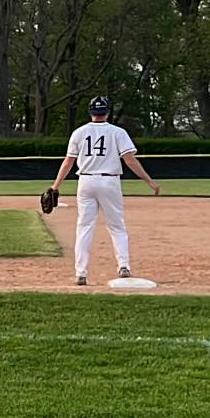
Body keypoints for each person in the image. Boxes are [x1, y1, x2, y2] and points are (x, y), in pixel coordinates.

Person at [48, 96, 161, 286]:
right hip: (109, 182)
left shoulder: (79, 132)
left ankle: (81, 273)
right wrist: (149, 181)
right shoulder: (118, 132)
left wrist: (55, 186)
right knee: (117, 226)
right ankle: (123, 265)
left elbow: (68, 162)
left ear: (90, 112)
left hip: (85, 181)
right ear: (108, 112)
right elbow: (130, 160)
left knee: (84, 227)